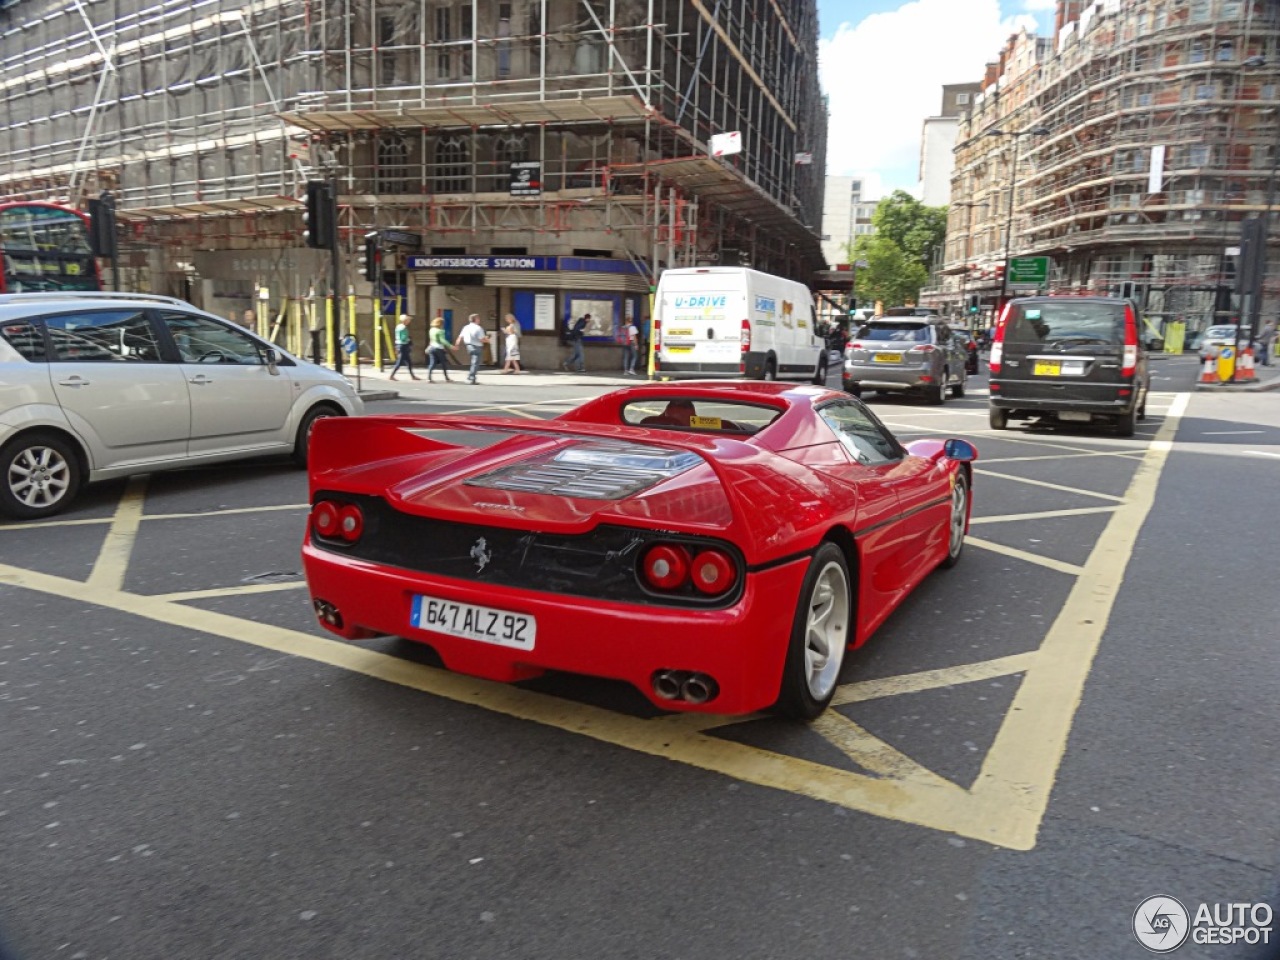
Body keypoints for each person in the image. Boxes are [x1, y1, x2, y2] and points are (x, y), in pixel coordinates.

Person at [455, 312, 489, 384]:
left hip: (468, 346)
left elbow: (460, 337)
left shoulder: (466, 327)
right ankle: (471, 377)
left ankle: (471, 377)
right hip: (476, 346)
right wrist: (487, 340)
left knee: (473, 362)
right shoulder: (478, 328)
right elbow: (481, 339)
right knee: (475, 363)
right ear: (475, 319)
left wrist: (457, 345)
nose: (479, 320)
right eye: (478, 318)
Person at [388, 313, 418, 380]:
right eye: (408, 320)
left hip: (399, 345)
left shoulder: (398, 326)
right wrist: (409, 339)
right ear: (405, 320)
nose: (409, 321)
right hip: (403, 346)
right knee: (399, 362)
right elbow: (403, 338)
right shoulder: (403, 328)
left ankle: (412, 376)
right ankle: (391, 375)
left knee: (408, 362)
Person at [426, 316, 453, 382]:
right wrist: (451, 346)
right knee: (443, 363)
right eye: (442, 323)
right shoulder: (440, 331)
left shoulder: (431, 330)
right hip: (439, 348)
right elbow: (442, 340)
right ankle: (446, 377)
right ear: (440, 324)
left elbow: (431, 340)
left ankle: (429, 377)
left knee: (432, 363)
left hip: (432, 347)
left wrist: (428, 347)